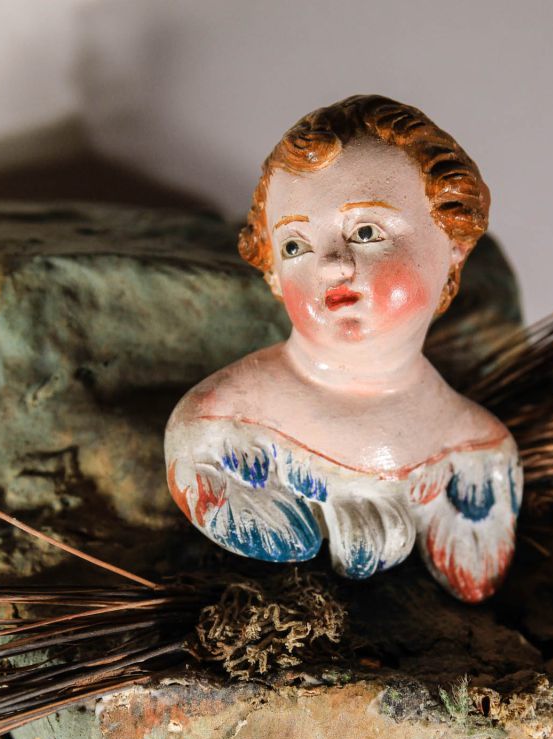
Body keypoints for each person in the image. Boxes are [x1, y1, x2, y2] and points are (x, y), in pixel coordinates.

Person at [165, 95, 522, 602]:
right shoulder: (219, 428)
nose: (331, 264)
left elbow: (478, 583)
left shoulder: (477, 454)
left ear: (454, 246)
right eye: (294, 246)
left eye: (366, 232)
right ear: (272, 274)